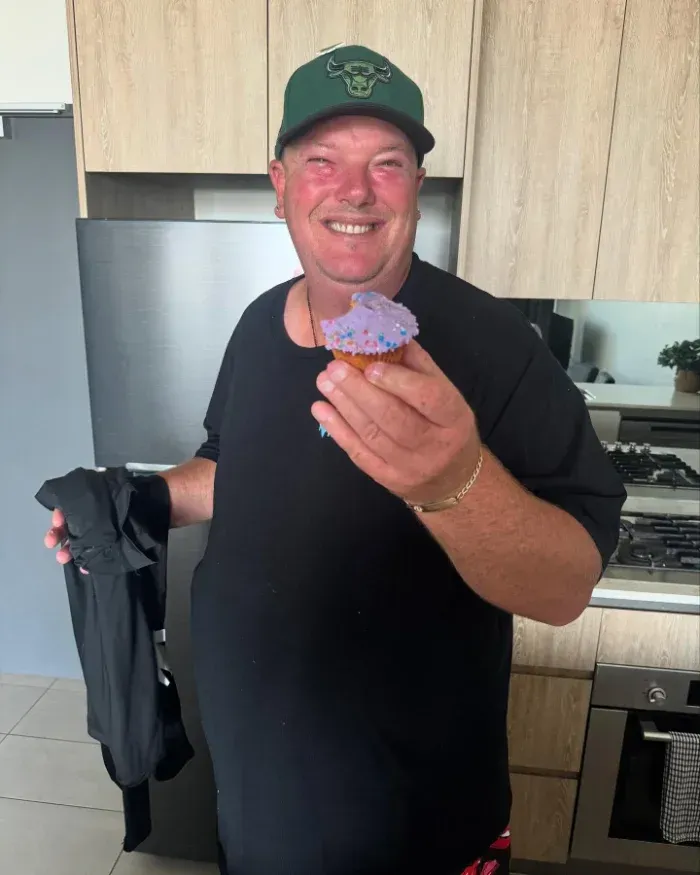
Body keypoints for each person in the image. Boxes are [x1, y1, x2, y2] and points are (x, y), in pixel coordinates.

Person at [45, 46, 625, 875]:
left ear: (417, 187)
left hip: (416, 826)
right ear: (280, 183)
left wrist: (454, 483)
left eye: (386, 164)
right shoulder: (255, 324)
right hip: (256, 797)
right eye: (323, 161)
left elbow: (569, 583)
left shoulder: (496, 346)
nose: (355, 191)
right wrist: (128, 499)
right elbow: (233, 464)